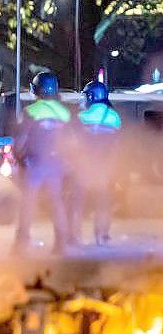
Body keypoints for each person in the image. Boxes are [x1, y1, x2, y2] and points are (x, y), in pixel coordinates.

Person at [14, 71, 72, 253]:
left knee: (28, 203)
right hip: (56, 164)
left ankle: (20, 245)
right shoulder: (64, 113)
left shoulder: (30, 111)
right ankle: (61, 244)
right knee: (56, 202)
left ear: (35, 89)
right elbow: (71, 142)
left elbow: (20, 140)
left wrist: (20, 159)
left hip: (35, 164)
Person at [69, 80, 122, 246]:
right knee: (103, 202)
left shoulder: (81, 117)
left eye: (86, 96)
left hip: (83, 167)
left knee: (77, 201)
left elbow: (71, 143)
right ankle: (102, 235)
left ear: (91, 97)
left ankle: (75, 236)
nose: (83, 100)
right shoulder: (114, 117)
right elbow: (117, 144)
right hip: (104, 167)